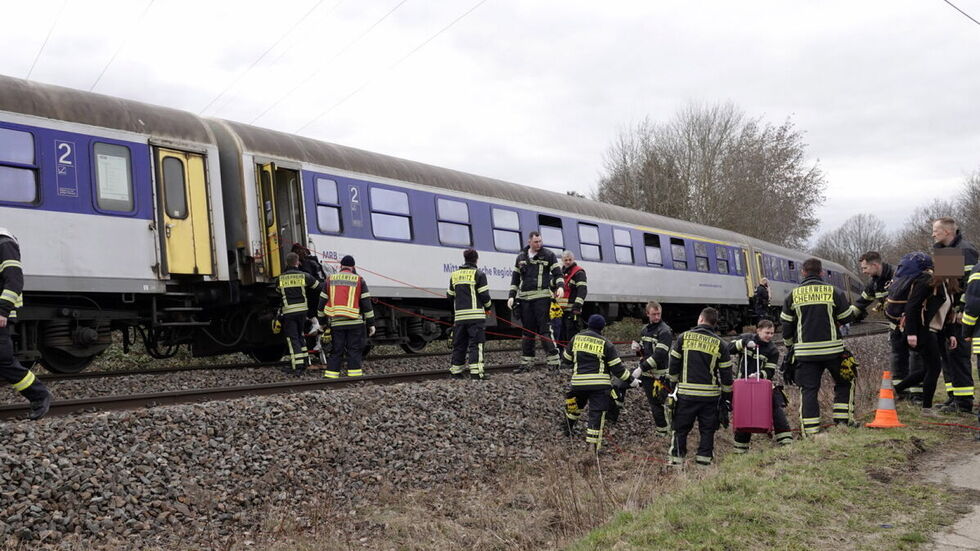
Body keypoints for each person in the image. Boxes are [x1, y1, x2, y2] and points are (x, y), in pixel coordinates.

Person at [780, 258, 860, 436]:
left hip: (805, 354)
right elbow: (847, 318)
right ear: (821, 272)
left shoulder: (793, 295)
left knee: (808, 390)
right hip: (833, 351)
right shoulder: (833, 292)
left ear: (803, 273)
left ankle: (810, 431)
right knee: (845, 382)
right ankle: (843, 421)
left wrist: (790, 347)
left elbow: (786, 326)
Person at [667, 307, 733, 466]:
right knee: (707, 430)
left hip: (686, 395)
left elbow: (673, 365)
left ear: (700, 319)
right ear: (715, 323)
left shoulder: (683, 338)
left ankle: (676, 462)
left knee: (680, 429)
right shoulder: (721, 344)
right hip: (709, 397)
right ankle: (703, 463)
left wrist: (672, 386)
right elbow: (726, 377)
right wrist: (726, 398)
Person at [561, 314, 637, 451]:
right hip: (599, 387)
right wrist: (632, 380)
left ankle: (567, 430)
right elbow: (618, 369)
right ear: (602, 328)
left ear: (588, 324)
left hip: (578, 383)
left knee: (575, 408)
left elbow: (566, 360)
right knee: (596, 415)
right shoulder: (606, 343)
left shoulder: (576, 338)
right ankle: (592, 448)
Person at [894, 256, 957, 415]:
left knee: (928, 369)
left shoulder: (947, 286)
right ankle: (926, 408)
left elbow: (947, 313)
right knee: (934, 369)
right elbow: (912, 307)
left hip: (935, 332)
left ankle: (895, 390)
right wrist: (912, 333)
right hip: (924, 331)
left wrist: (951, 335)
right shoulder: (928, 281)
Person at [0, 227, 52, 420]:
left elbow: (14, 281)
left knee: (3, 360)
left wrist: (2, 310)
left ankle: (39, 395)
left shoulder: (4, 244)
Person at [854, 251, 917, 398]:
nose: (864, 272)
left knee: (914, 356)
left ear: (875, 265)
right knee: (897, 357)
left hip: (910, 323)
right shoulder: (874, 284)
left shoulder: (899, 275)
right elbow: (861, 303)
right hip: (894, 325)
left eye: (865, 268)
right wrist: (842, 317)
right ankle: (901, 392)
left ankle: (917, 394)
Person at [932, 217, 979, 413]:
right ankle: (954, 397)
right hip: (950, 315)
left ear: (948, 232)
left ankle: (964, 402)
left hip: (961, 315)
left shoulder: (964, 250)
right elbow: (950, 286)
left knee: (959, 355)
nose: (933, 234)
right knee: (948, 355)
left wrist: (960, 309)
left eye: (936, 230)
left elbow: (970, 287)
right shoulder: (947, 251)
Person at [729, 320, 793, 452]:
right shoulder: (746, 338)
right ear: (758, 330)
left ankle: (786, 442)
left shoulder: (772, 350)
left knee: (775, 409)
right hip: (743, 387)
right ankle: (740, 450)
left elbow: (770, 371)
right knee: (744, 415)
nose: (770, 336)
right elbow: (728, 348)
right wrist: (743, 344)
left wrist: (760, 374)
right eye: (767, 333)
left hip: (761, 386)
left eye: (772, 333)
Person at [508, 232, 563, 372]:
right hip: (525, 299)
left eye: (540, 241)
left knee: (544, 330)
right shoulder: (521, 257)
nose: (539, 244)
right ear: (530, 242)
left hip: (542, 298)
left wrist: (560, 287)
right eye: (536, 242)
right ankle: (526, 364)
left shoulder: (549, 255)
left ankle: (554, 362)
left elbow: (558, 274)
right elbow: (515, 279)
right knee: (527, 333)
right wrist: (511, 296)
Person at [317, 255, 375, 378]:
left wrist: (322, 323)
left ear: (340, 266)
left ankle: (332, 376)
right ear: (353, 267)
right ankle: (354, 376)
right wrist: (371, 324)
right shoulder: (359, 280)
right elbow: (366, 304)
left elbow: (321, 304)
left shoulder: (330, 280)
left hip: (337, 323)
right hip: (355, 323)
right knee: (354, 350)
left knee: (336, 350)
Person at [629, 301, 674, 436]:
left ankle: (665, 433)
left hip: (660, 376)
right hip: (648, 375)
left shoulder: (665, 331)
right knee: (654, 405)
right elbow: (645, 352)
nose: (657, 317)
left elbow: (659, 355)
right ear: (647, 314)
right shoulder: (645, 330)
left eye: (658, 314)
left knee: (660, 404)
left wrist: (641, 368)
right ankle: (662, 432)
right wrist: (638, 349)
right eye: (654, 314)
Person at [447, 249, 492, 380]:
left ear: (465, 258)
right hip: (475, 317)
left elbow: (449, 296)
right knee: (476, 344)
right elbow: (485, 296)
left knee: (459, 344)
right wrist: (488, 308)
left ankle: (456, 372)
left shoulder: (454, 275)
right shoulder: (479, 274)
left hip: (460, 317)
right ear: (476, 259)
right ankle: (476, 373)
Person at [275, 252, 322, 375]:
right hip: (303, 312)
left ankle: (297, 366)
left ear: (286, 263)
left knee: (293, 339)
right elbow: (318, 287)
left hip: (289, 312)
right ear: (297, 262)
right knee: (300, 336)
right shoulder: (304, 276)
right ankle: (305, 362)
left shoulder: (280, 278)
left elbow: (278, 292)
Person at [557, 251, 587, 347]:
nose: (568, 262)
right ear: (562, 261)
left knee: (571, 335)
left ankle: (572, 356)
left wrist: (577, 307)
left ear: (573, 260)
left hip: (572, 311)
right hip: (560, 310)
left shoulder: (579, 273)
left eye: (570, 260)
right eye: (566, 260)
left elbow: (582, 291)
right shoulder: (560, 273)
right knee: (560, 335)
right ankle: (563, 356)